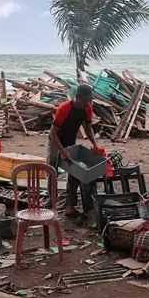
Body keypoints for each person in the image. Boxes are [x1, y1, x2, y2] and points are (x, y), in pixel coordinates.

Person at [48, 84, 100, 216]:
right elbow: (53, 133)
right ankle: (51, 202)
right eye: (85, 100)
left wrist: (94, 144)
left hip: (70, 140)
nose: (87, 103)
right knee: (52, 171)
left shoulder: (87, 108)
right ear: (77, 97)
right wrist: (62, 151)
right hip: (56, 140)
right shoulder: (64, 108)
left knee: (74, 171)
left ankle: (69, 206)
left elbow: (88, 128)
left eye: (89, 100)